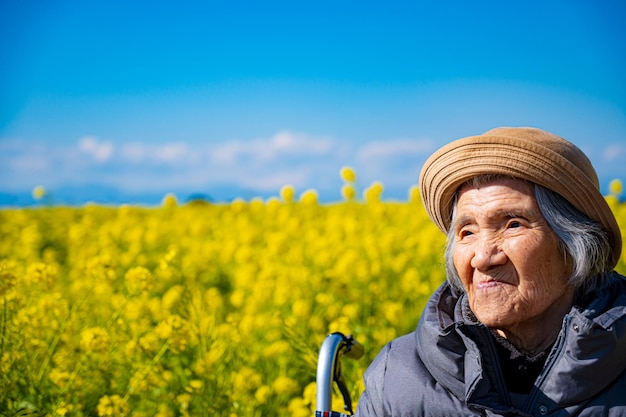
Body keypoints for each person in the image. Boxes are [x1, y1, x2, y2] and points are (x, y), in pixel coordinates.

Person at [354, 127, 626, 416]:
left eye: (513, 224)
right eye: (467, 231)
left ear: (577, 246)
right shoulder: (395, 379)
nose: (482, 258)